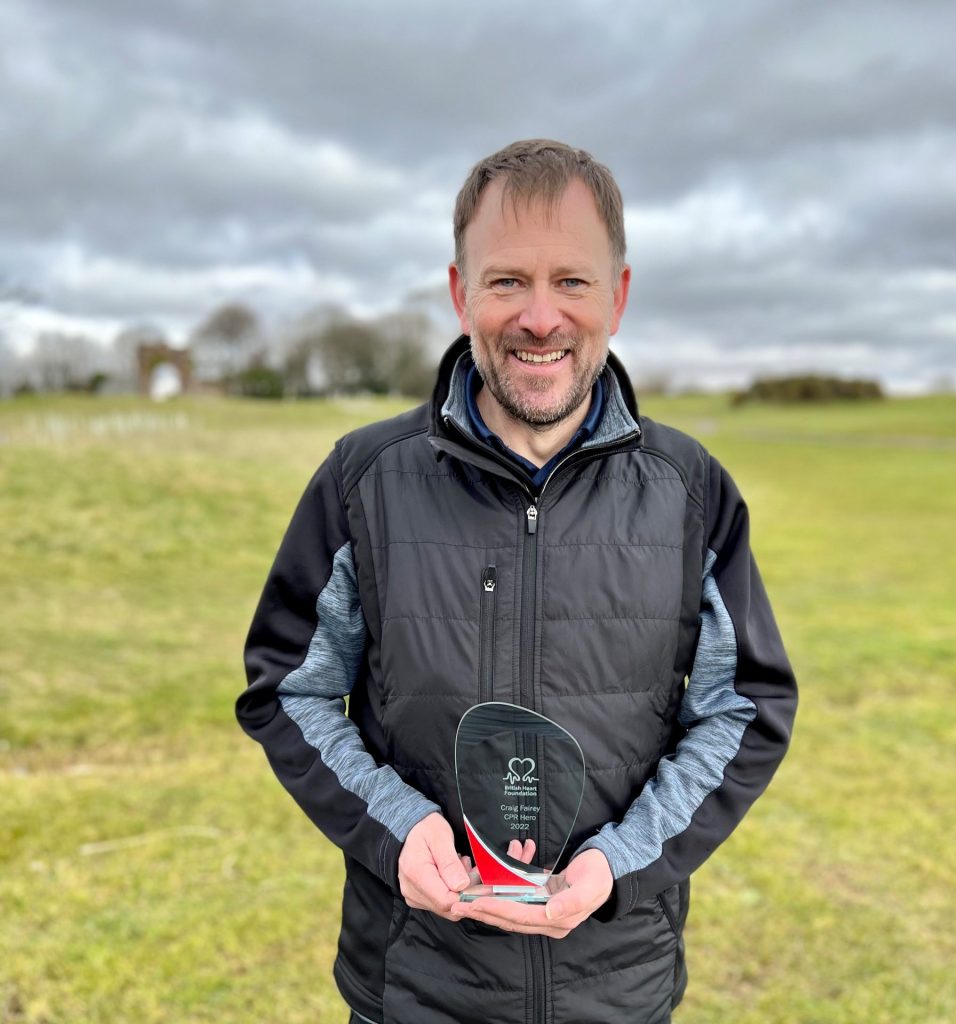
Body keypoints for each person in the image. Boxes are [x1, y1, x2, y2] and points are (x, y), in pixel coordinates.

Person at [236, 139, 798, 1024]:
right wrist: (398, 828)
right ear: (461, 293)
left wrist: (619, 862)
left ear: (618, 294)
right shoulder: (364, 479)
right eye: (507, 282)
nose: (540, 317)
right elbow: (288, 690)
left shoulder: (692, 494)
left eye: (571, 281)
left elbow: (743, 708)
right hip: (414, 988)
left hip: (617, 990)